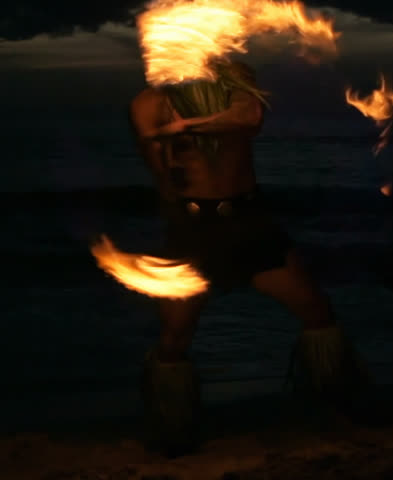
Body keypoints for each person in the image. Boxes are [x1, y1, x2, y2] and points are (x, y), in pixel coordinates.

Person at [127, 59, 363, 456]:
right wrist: (167, 153)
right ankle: (172, 427)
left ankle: (341, 405)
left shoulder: (235, 78)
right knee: (174, 338)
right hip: (193, 230)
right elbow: (160, 171)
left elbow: (249, 117)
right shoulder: (149, 101)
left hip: (249, 223)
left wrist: (189, 126)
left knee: (316, 312)